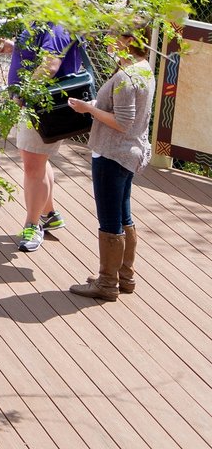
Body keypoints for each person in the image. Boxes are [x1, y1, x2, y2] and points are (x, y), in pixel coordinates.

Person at [67, 22, 157, 302]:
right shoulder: (144, 69)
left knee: (110, 221)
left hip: (112, 154)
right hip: (129, 154)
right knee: (123, 216)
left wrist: (88, 108)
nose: (108, 39)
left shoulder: (126, 76)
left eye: (113, 35)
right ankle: (124, 276)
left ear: (129, 40)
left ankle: (107, 283)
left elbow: (122, 122)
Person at [4, 0, 90, 253]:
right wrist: (14, 47)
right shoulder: (54, 21)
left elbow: (50, 65)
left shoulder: (57, 23)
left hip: (39, 104)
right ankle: (50, 214)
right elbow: (39, 52)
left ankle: (33, 224)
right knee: (38, 161)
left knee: (32, 166)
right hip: (38, 104)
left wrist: (24, 93)